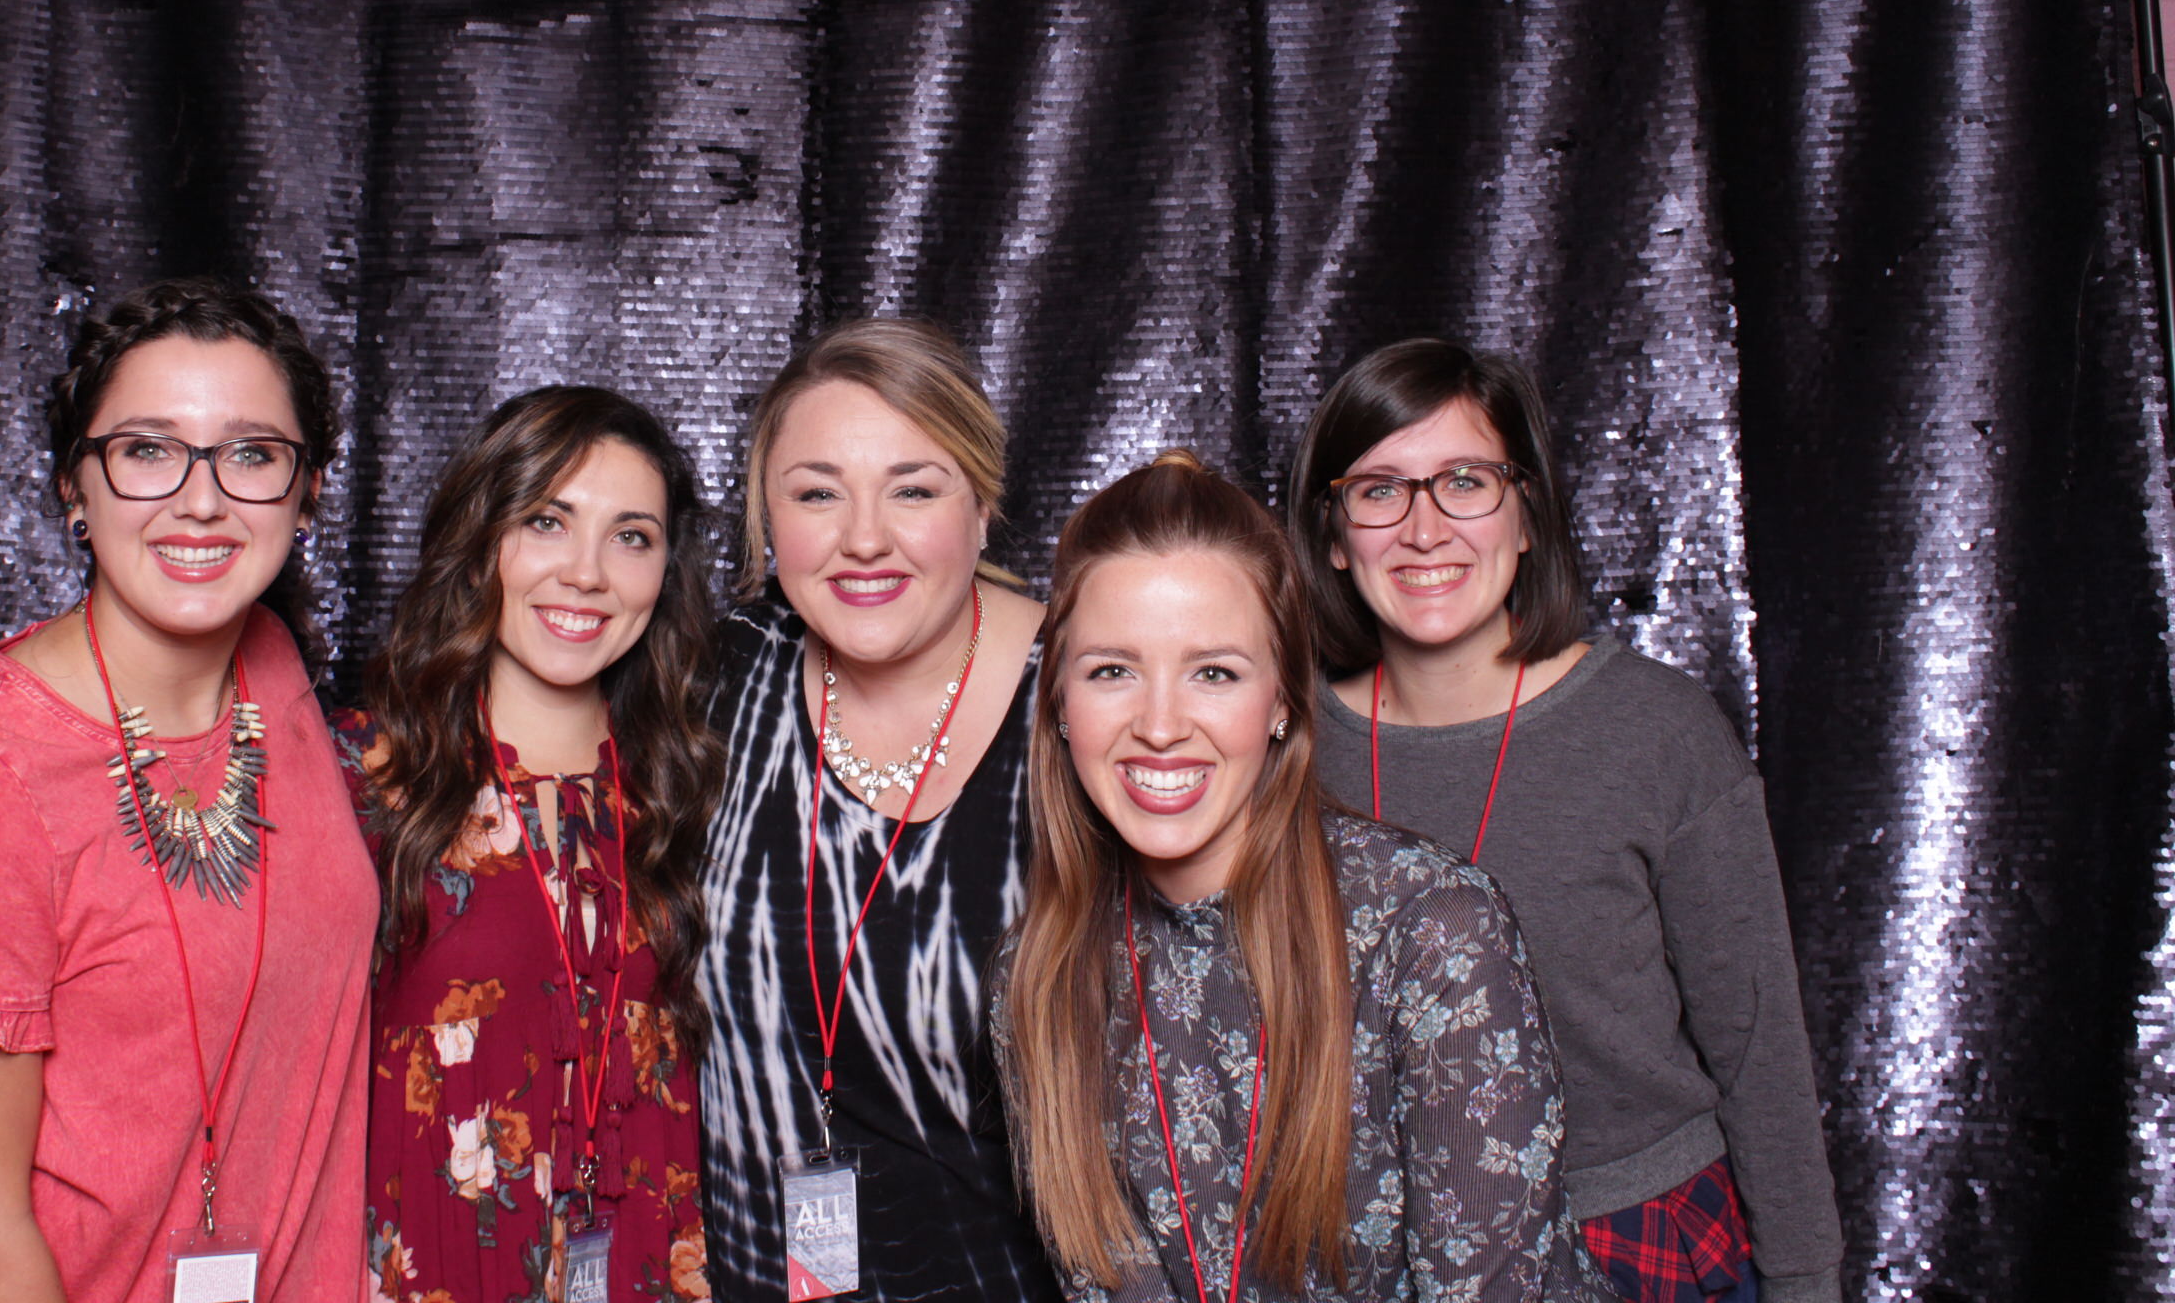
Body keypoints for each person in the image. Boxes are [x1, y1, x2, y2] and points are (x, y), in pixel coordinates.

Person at [0, 276, 375, 1303]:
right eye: (148, 450)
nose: (201, 499)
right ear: (75, 488)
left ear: (307, 493)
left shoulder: (273, 669)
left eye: (252, 454)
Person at [1288, 340, 1843, 1303]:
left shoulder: (1658, 733)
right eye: (1380, 490)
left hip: (1634, 1240)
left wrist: (1805, 1282)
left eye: (1465, 481)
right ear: (1335, 534)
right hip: (1381, 1254)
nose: (1424, 530)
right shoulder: (1284, 748)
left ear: (1528, 513)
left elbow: (1763, 1051)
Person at [992, 450, 1613, 1303]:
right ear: (1060, 704)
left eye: (1214, 672)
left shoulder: (1430, 930)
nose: (1161, 725)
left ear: (1282, 698)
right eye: (1112, 671)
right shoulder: (1040, 976)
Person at [697, 318, 1065, 1303]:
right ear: (768, 521)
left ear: (982, 506)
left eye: (914, 488)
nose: (865, 538)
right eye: (818, 493)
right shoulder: (730, 676)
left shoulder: (1088, 704)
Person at [336, 387, 719, 1303]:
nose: (587, 573)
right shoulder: (363, 775)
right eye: (549, 521)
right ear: (483, 536)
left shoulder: (684, 782)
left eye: (632, 536)